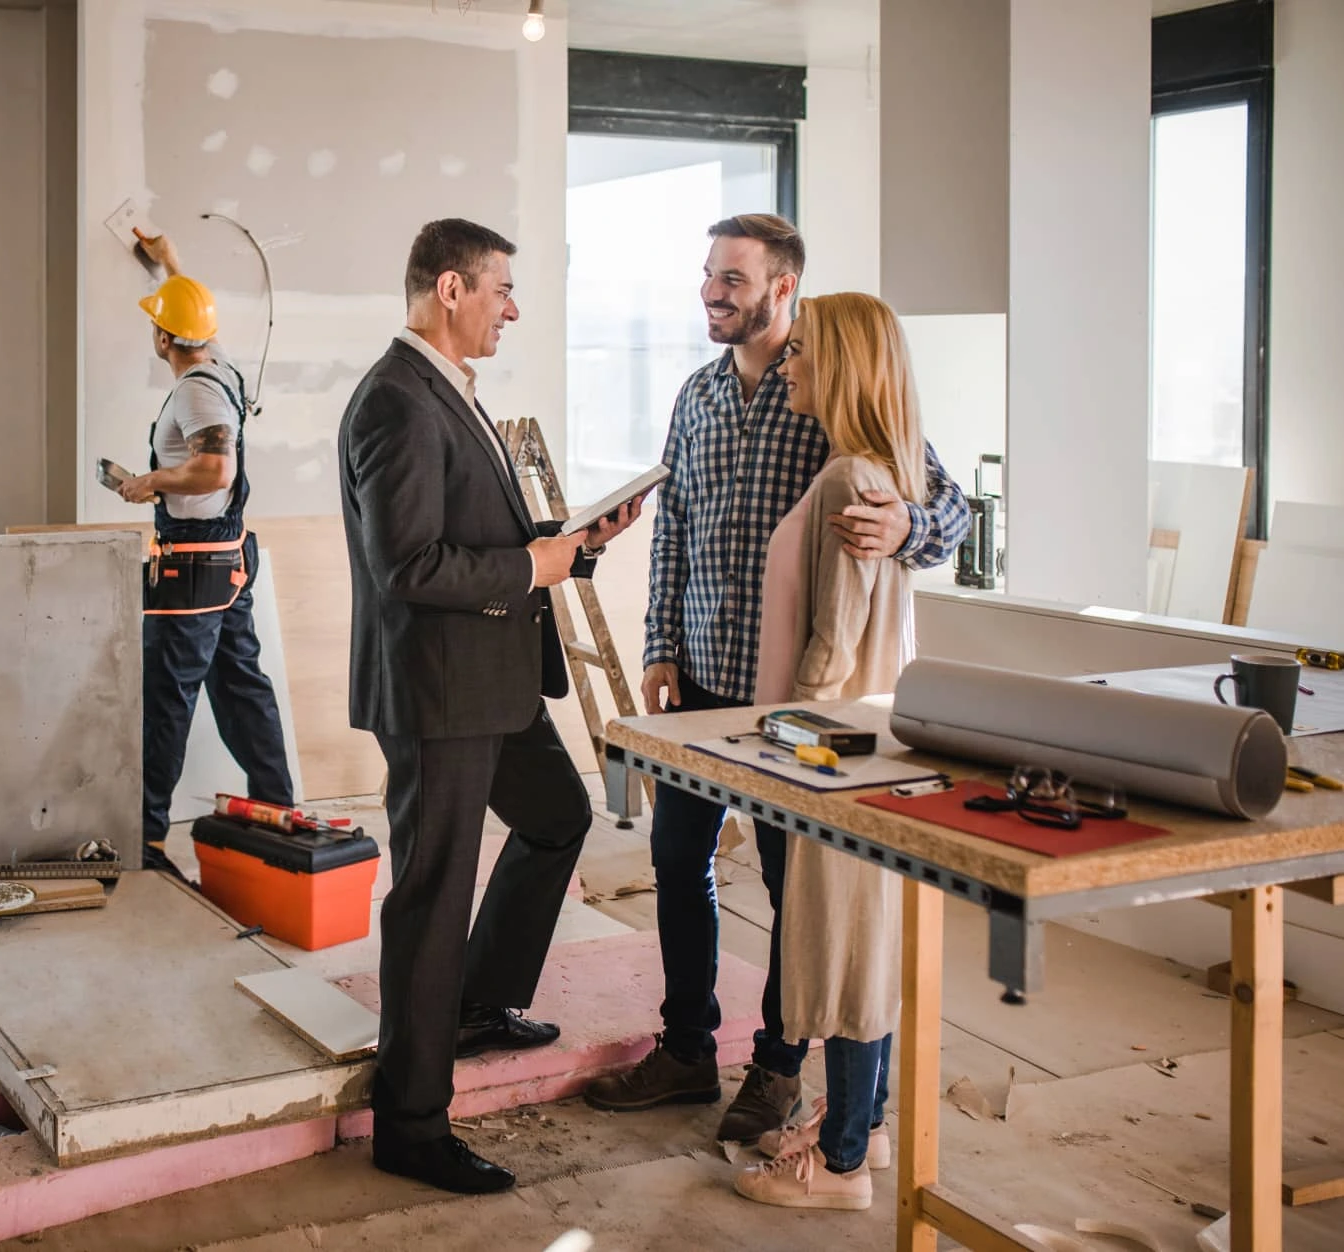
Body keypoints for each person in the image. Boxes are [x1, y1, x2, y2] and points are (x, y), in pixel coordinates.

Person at [583, 215, 969, 1145]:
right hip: (703, 682)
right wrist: (659, 645)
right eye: (708, 275)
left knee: (798, 890)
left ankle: (778, 1066)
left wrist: (906, 532)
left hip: (794, 703)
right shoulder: (696, 395)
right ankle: (685, 1049)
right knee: (680, 861)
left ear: (783, 288)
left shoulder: (829, 385)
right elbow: (672, 528)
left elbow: (946, 504)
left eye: (733, 279)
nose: (713, 293)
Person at [339, 218, 643, 1195]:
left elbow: (475, 537)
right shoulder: (397, 400)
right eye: (502, 289)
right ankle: (411, 1123)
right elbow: (409, 563)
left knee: (559, 818)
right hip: (440, 692)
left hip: (493, 679)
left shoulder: (447, 395)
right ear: (449, 289)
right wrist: (533, 564)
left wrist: (575, 541)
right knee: (433, 896)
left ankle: (480, 1001)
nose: (513, 308)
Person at [732, 291, 920, 1209]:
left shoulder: (853, 479)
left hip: (830, 754)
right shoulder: (872, 470)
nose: (789, 364)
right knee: (861, 941)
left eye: (802, 351)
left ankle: (839, 1162)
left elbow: (831, 651)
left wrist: (776, 753)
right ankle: (864, 1128)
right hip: (861, 748)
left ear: (841, 364)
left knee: (841, 948)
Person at [118, 231, 294, 871]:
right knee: (241, 687)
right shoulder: (219, 363)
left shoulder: (194, 389)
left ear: (163, 338)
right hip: (229, 559)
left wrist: (150, 481)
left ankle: (146, 838)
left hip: (193, 564)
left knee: (165, 700)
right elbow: (193, 319)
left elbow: (215, 470)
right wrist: (170, 262)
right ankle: (279, 809)